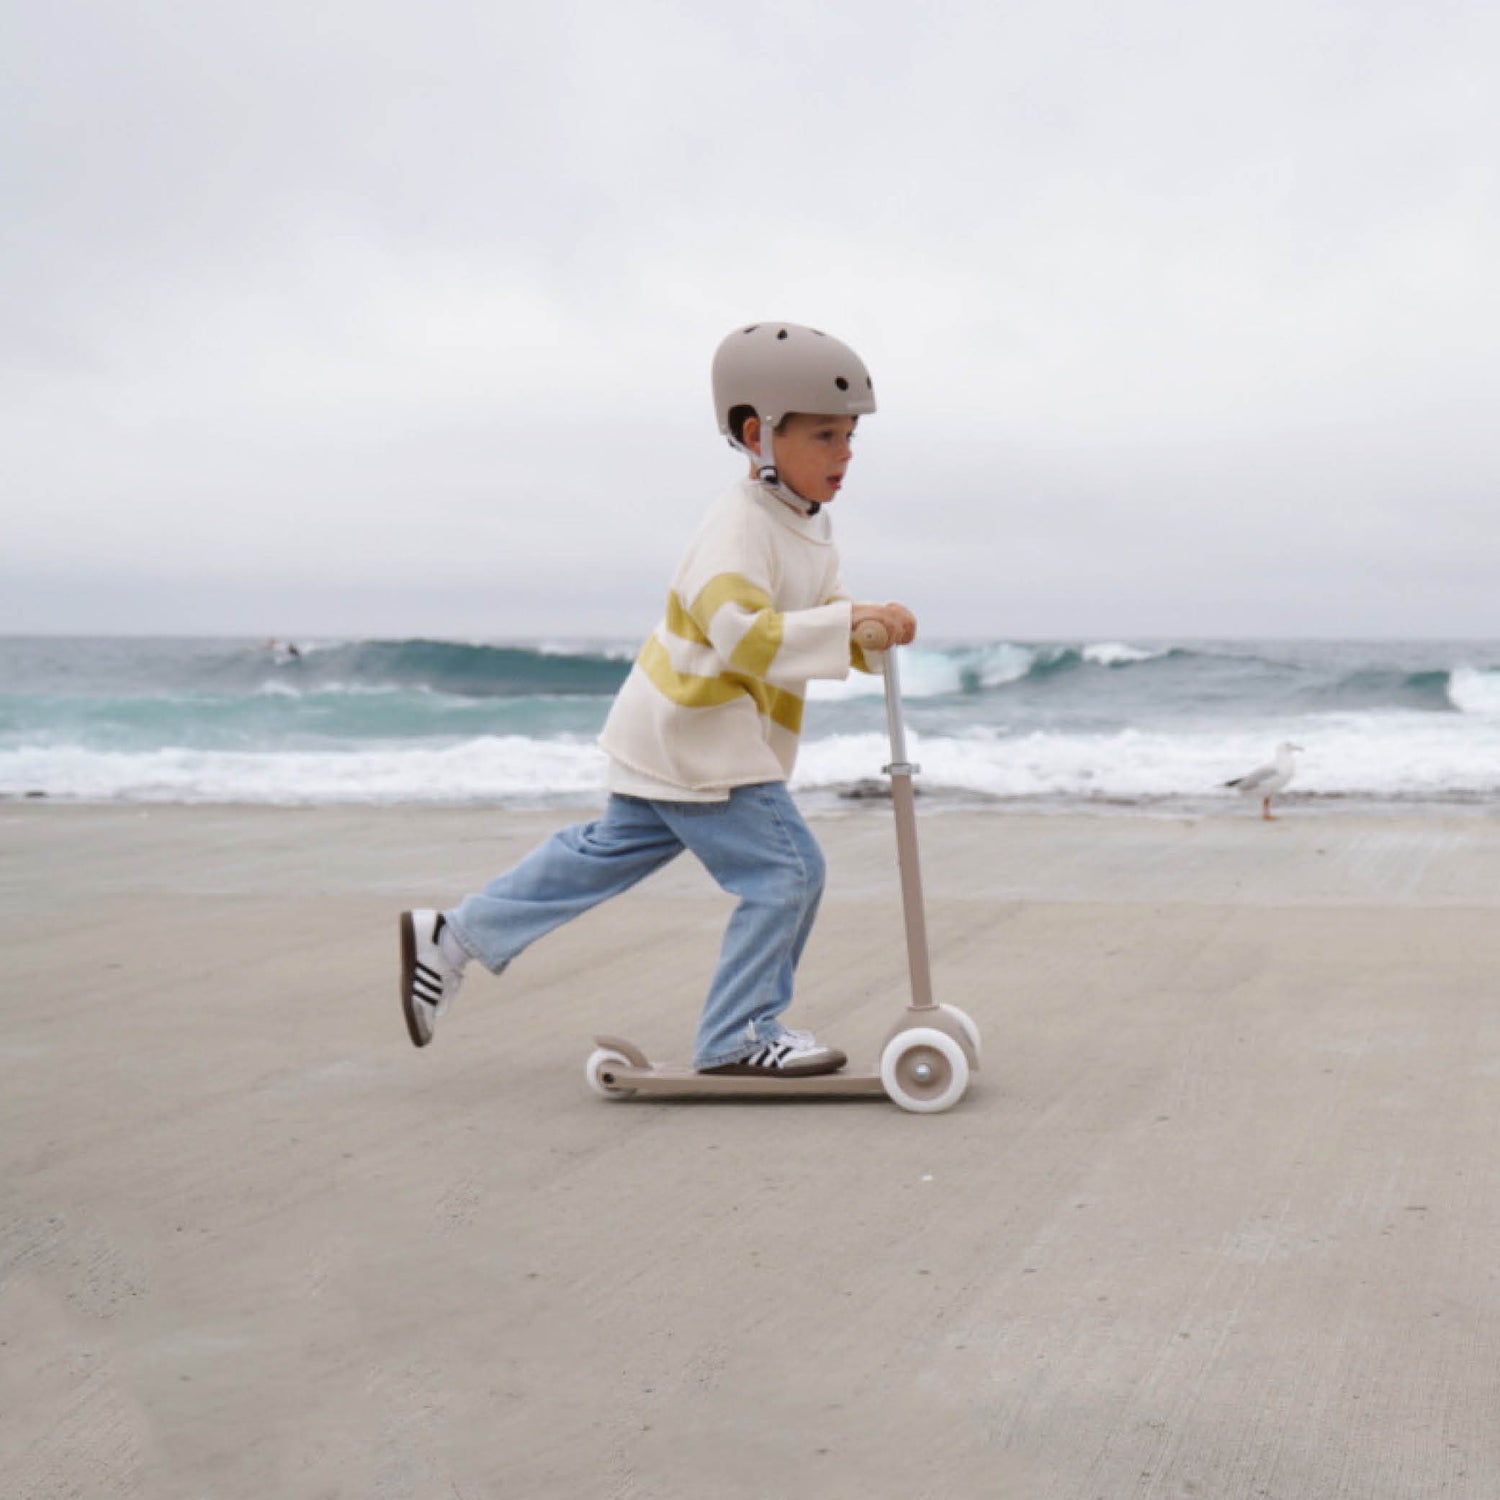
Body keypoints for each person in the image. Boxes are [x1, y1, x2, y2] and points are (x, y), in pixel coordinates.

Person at [399, 321, 917, 1076]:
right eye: (825, 437)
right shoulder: (738, 525)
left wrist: (865, 627)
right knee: (786, 873)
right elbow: (741, 633)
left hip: (673, 730)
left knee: (605, 855)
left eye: (850, 438)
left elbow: (818, 608)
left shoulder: (807, 524)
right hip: (700, 733)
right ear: (756, 436)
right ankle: (739, 1035)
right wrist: (847, 622)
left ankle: (454, 936)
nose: (843, 455)